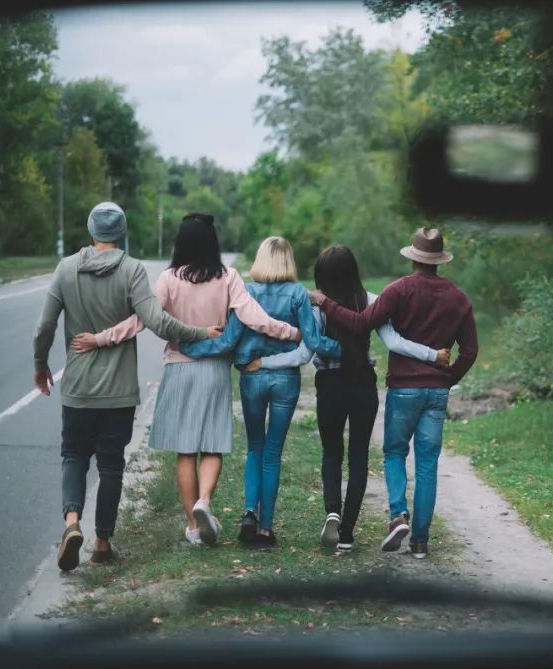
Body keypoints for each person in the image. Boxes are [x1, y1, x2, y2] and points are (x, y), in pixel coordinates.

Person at [72, 214, 301, 547]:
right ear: (212, 243)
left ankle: (194, 527)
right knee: (212, 445)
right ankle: (204, 501)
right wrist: (291, 332)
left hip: (179, 369)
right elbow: (255, 317)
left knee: (185, 451)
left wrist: (101, 338)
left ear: (181, 242)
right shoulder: (228, 277)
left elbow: (139, 321)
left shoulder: (168, 279)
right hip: (215, 372)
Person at [33, 201, 217, 571]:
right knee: (112, 465)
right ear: (123, 234)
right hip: (118, 392)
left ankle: (72, 524)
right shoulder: (132, 271)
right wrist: (202, 332)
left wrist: (40, 365)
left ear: (91, 232)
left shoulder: (66, 269)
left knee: (73, 455)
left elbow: (45, 328)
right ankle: (101, 541)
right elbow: (159, 323)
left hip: (79, 388)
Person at [249, 245, 451, 552]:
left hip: (330, 382)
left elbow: (304, 353)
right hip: (363, 385)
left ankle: (332, 511)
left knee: (332, 454)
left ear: (321, 276)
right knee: (358, 457)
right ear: (354, 271)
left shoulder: (315, 306)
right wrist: (432, 354)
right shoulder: (370, 301)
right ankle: (346, 533)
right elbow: (394, 342)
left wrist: (264, 363)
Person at [309, 228, 478, 560]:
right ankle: (419, 542)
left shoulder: (398, 290)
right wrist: (446, 377)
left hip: (398, 388)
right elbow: (469, 351)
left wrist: (325, 303)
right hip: (427, 391)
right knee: (426, 464)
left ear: (413, 256)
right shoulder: (459, 298)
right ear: (439, 259)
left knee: (391, 454)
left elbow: (358, 325)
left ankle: (395, 513)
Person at [175, 236, 342, 547]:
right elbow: (315, 342)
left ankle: (249, 513)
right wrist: (348, 350)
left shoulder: (247, 292)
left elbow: (226, 342)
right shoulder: (297, 294)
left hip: (252, 378)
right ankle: (265, 529)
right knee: (273, 453)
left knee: (254, 447)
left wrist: (190, 346)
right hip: (285, 381)